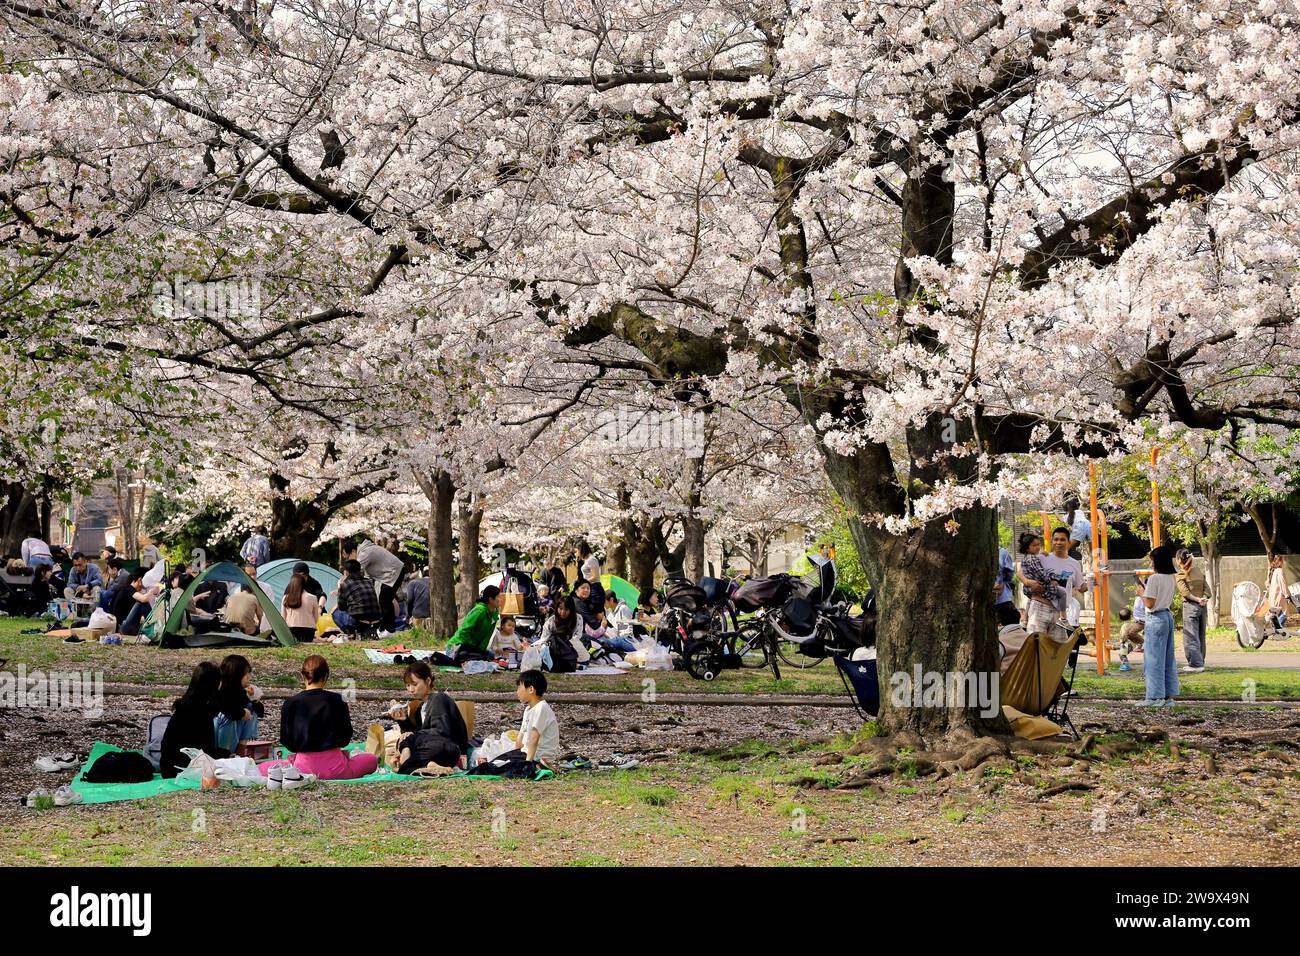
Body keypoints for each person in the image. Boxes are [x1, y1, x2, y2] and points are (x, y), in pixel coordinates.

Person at [259, 655, 377, 780]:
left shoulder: (291, 703)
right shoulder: (337, 700)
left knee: (262, 768)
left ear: (302, 675)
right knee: (371, 759)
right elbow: (345, 738)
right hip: (337, 769)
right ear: (326, 676)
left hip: (301, 768)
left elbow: (287, 741)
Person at [387, 661, 469, 773]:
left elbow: (441, 731)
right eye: (408, 685)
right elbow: (422, 737)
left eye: (415, 684)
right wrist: (403, 721)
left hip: (448, 748)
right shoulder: (421, 707)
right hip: (433, 751)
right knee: (404, 765)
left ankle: (413, 763)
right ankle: (430, 765)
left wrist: (411, 736)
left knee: (408, 740)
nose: (411, 689)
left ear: (428, 681)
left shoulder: (438, 699)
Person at [158, 661, 230, 778]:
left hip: (168, 767)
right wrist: (227, 755)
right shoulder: (202, 712)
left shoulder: (185, 706)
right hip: (181, 769)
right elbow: (205, 751)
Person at [1137, 546, 1179, 708]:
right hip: (1167, 616)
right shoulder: (1170, 577)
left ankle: (1154, 696)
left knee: (1153, 658)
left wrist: (1141, 592)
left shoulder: (1155, 578)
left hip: (1155, 618)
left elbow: (1150, 603)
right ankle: (1168, 695)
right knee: (1167, 658)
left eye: (1152, 560)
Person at [342, 537, 404, 631]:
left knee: (384, 600)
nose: (348, 561)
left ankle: (389, 629)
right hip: (391, 574)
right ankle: (386, 628)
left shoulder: (364, 553)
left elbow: (354, 572)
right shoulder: (365, 552)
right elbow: (366, 577)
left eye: (348, 557)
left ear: (353, 551)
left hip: (394, 572)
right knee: (383, 600)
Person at [1016, 532, 1065, 637]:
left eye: (1039, 544)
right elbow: (1039, 573)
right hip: (1042, 598)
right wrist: (1052, 580)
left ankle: (1025, 619)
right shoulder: (1033, 558)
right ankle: (1063, 617)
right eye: (1034, 545)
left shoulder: (1032, 557)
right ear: (1027, 548)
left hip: (1041, 599)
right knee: (1062, 593)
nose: (1038, 547)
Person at [214, 654, 263, 752]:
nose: (248, 677)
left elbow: (260, 711)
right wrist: (242, 713)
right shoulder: (220, 690)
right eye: (246, 673)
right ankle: (224, 754)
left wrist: (254, 698)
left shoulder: (240, 691)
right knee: (228, 717)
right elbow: (228, 710)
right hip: (217, 742)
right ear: (237, 675)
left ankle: (240, 750)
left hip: (234, 738)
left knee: (250, 708)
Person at [515, 670, 560, 766]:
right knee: (499, 759)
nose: (517, 691)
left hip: (539, 756)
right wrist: (514, 754)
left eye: (519, 687)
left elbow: (534, 738)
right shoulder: (528, 710)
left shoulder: (541, 708)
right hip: (527, 753)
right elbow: (520, 739)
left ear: (531, 689)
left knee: (502, 765)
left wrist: (527, 764)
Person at [1176, 548, 1209, 673]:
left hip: (1190, 606)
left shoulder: (1180, 574)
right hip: (1202, 607)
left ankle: (1195, 664)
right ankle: (1201, 662)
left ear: (1179, 560)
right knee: (1201, 635)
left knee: (1190, 636)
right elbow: (1207, 589)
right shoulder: (1198, 571)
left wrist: (1196, 599)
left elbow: (1185, 592)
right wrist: (1203, 599)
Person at [446, 585, 500, 662]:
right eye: (498, 597)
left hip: (473, 648)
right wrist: (472, 646)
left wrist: (480, 650)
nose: (500, 599)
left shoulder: (495, 613)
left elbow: (487, 637)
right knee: (468, 656)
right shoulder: (480, 610)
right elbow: (464, 631)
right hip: (459, 645)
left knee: (490, 656)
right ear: (491, 599)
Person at [334, 559, 383, 635]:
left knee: (336, 613)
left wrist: (339, 587)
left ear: (346, 572)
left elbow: (341, 607)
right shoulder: (369, 581)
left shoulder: (345, 584)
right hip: (376, 622)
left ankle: (352, 632)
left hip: (359, 623)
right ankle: (368, 630)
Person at [536, 593, 582, 672]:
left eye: (566, 609)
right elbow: (544, 639)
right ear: (556, 608)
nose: (563, 612)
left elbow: (577, 637)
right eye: (560, 609)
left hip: (571, 647)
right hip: (555, 648)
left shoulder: (578, 618)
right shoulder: (551, 621)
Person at [281, 571, 324, 641]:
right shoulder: (313, 597)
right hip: (309, 632)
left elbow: (283, 618)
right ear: (304, 584)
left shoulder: (285, 598)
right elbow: (316, 618)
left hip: (291, 632)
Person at [108, 566, 152, 635]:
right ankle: (153, 629)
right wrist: (152, 591)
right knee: (142, 603)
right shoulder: (128, 589)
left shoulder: (125, 588)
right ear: (140, 580)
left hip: (124, 625)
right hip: (122, 627)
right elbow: (144, 599)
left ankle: (153, 628)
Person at [1117, 579, 1147, 672]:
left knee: (1127, 630)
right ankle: (1125, 661)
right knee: (1124, 645)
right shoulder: (1138, 598)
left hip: (1143, 624)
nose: (1135, 589)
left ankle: (1142, 644)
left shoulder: (1146, 599)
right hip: (1137, 622)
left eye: (1137, 587)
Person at [1265, 552, 1292, 636]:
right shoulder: (1279, 571)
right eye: (1282, 560)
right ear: (1280, 562)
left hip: (1273, 596)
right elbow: (1282, 584)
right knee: (1284, 613)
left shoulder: (1274, 571)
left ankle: (1277, 631)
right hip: (1279, 597)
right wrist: (1287, 595)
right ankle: (1278, 631)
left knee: (1275, 615)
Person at [993, 545, 1019, 627]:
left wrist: (1002, 583)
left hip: (1002, 599)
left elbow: (1009, 574)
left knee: (1010, 630)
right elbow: (1009, 574)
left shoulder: (1003, 552)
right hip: (999, 600)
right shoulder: (1002, 552)